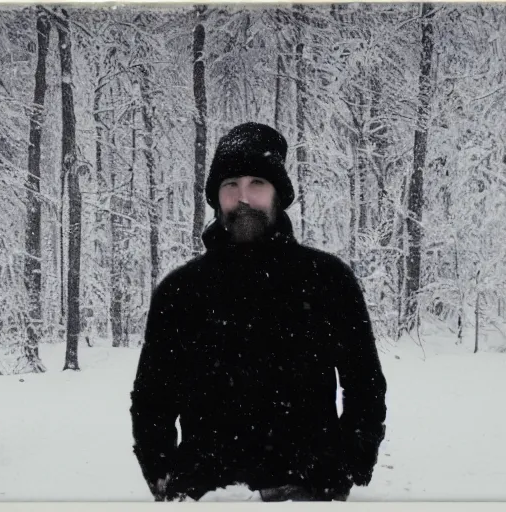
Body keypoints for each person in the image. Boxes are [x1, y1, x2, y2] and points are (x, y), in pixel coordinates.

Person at [129, 122, 388, 502]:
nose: (244, 197)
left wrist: (351, 463)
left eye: (257, 184)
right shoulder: (181, 291)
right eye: (230, 184)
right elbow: (154, 395)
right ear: (216, 198)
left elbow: (364, 384)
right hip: (207, 494)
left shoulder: (328, 280)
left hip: (308, 489)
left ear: (278, 195)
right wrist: (162, 472)